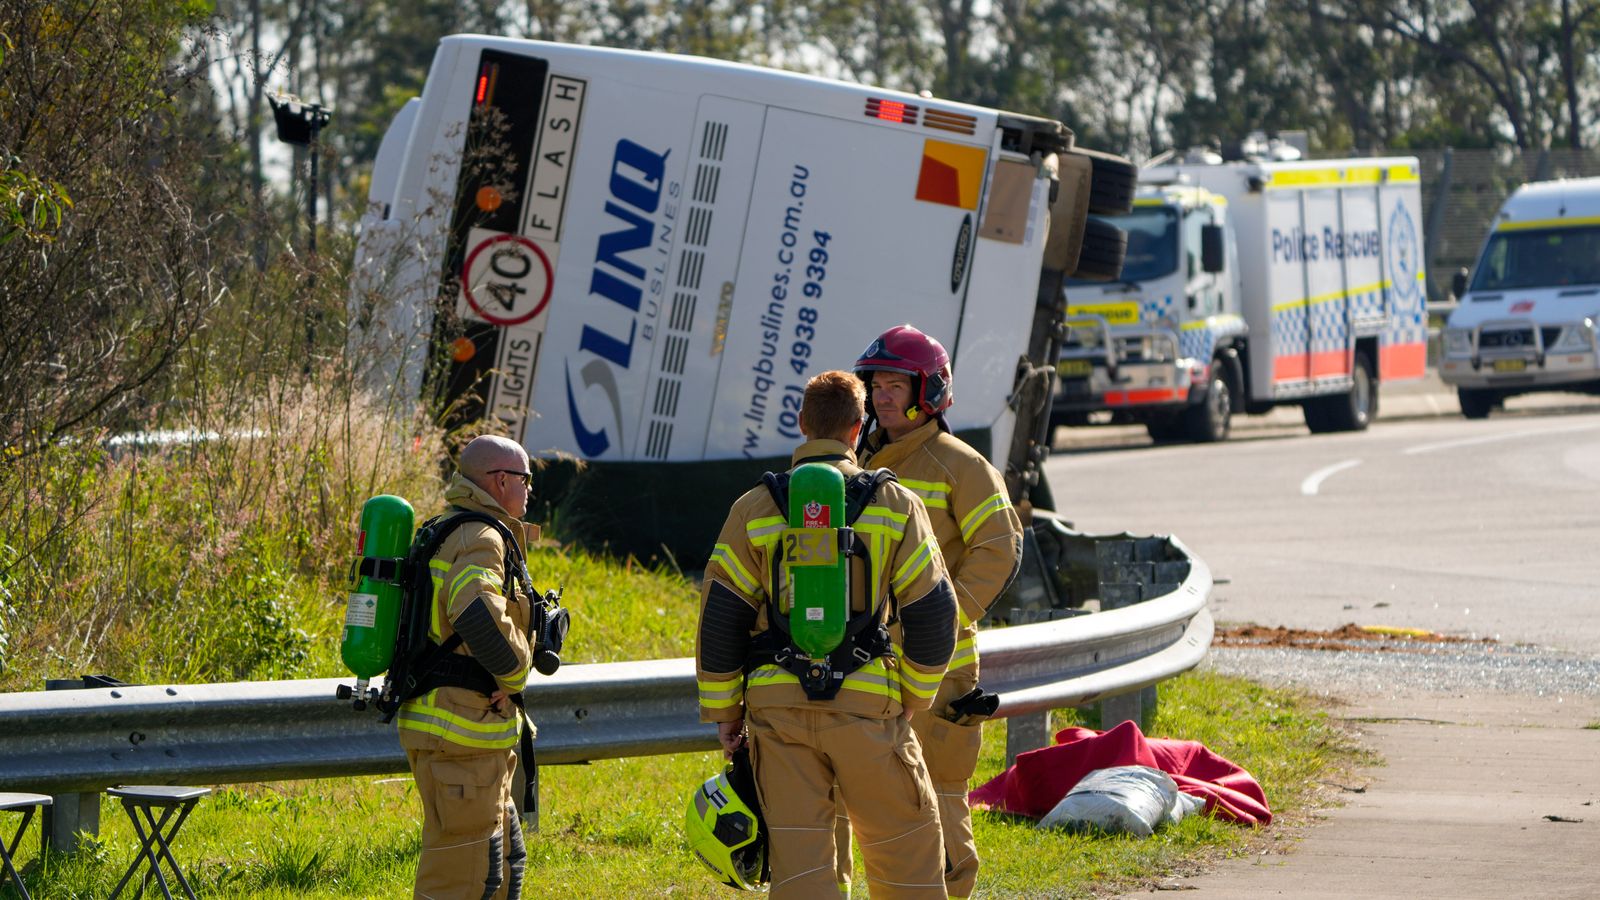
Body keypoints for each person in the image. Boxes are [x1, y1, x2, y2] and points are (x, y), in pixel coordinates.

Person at [695, 370, 958, 899]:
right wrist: (912, 697)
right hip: (869, 710)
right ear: (858, 428)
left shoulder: (754, 508)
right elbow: (933, 613)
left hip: (778, 713)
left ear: (801, 424)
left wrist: (726, 715)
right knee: (906, 854)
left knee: (801, 872)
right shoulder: (895, 504)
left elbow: (721, 619)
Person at [847, 324, 1024, 900]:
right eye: (877, 386)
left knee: (938, 793)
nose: (883, 397)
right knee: (878, 797)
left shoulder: (959, 465)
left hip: (940, 667)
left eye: (898, 384)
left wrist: (944, 620)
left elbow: (1000, 546)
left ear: (930, 390)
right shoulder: (859, 465)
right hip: (867, 664)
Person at [397, 434, 539, 900]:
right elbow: (474, 608)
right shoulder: (480, 536)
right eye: (525, 479)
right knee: (459, 879)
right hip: (460, 733)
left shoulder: (454, 527)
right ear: (501, 480)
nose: (529, 489)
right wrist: (513, 674)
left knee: (496, 869)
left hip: (468, 736)